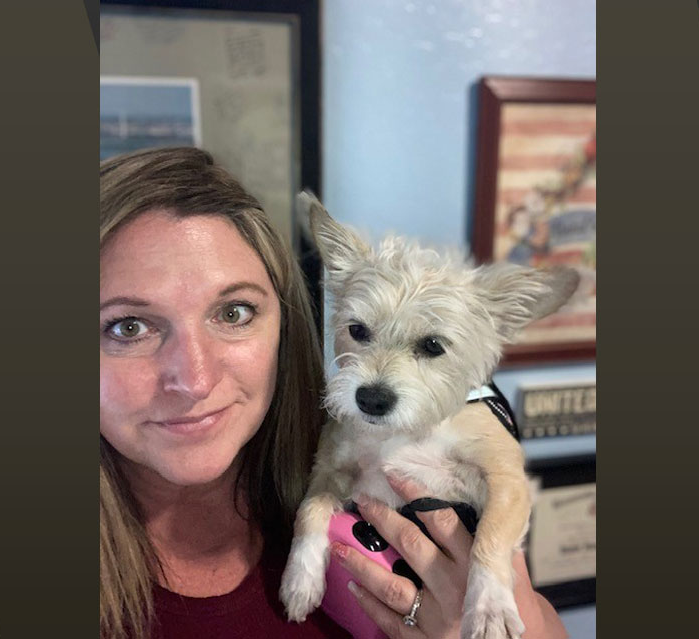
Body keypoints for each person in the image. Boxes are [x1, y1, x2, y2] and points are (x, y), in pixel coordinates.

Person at [99, 147, 568, 638]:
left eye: (234, 312)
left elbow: (539, 616)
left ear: (287, 321)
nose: (194, 380)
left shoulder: (323, 453)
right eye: (127, 326)